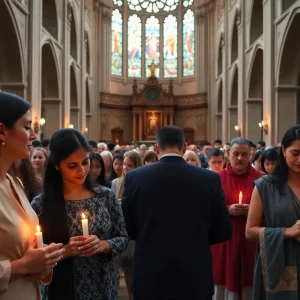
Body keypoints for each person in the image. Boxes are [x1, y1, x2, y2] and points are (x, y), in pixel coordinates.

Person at [122, 125, 232, 300]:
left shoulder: (135, 178)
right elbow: (224, 230)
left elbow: (128, 228)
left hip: (150, 271)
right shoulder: (209, 178)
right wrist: (198, 237)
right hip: (194, 271)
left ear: (156, 148)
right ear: (185, 147)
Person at [31, 128, 129, 300]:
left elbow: (122, 237)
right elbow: (33, 252)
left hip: (101, 287)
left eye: (85, 162)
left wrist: (103, 245)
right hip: (60, 289)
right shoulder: (41, 204)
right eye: (72, 165)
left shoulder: (106, 196)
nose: (81, 170)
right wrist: (65, 251)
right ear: (56, 164)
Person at [0, 91, 64, 299]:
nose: (35, 136)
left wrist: (43, 257)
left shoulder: (13, 182)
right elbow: (20, 261)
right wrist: (22, 266)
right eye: (27, 127)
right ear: (2, 131)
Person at [246, 125, 300, 299]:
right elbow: (250, 231)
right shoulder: (265, 186)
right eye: (296, 153)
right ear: (283, 150)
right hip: (280, 264)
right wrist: (286, 232)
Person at [211, 138, 264, 300]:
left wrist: (253, 211)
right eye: (236, 154)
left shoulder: (262, 180)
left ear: (250, 155)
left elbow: (272, 211)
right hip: (224, 243)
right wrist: (228, 209)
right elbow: (207, 209)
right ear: (228, 154)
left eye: (244, 154)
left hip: (251, 244)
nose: (240, 158)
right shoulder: (215, 179)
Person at [112, 151, 143, 300]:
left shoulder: (141, 181)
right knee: (126, 265)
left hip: (136, 227)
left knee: (135, 266)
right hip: (120, 226)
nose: (125, 168)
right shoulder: (116, 182)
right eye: (124, 164)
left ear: (137, 166)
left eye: (129, 165)